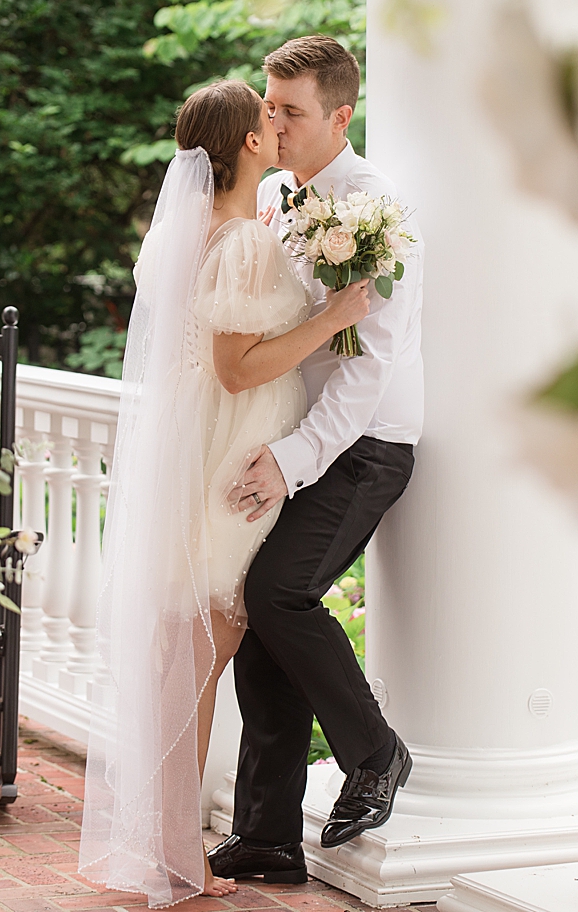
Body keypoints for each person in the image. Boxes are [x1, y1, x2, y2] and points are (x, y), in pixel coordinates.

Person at [78, 78, 373, 907]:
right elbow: (236, 365)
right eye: (268, 118)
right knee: (198, 657)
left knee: (185, 654)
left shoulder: (198, 227)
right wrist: (331, 315)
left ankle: (166, 844)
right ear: (248, 142)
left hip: (195, 440)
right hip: (228, 456)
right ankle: (175, 856)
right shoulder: (239, 239)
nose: (278, 126)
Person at [209, 36, 424, 884]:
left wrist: (291, 459)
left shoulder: (378, 209)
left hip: (367, 447)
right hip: (301, 440)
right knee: (262, 620)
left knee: (277, 594)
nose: (274, 123)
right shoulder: (279, 198)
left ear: (341, 116)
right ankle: (266, 835)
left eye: (291, 111)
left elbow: (370, 366)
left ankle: (375, 753)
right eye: (270, 107)